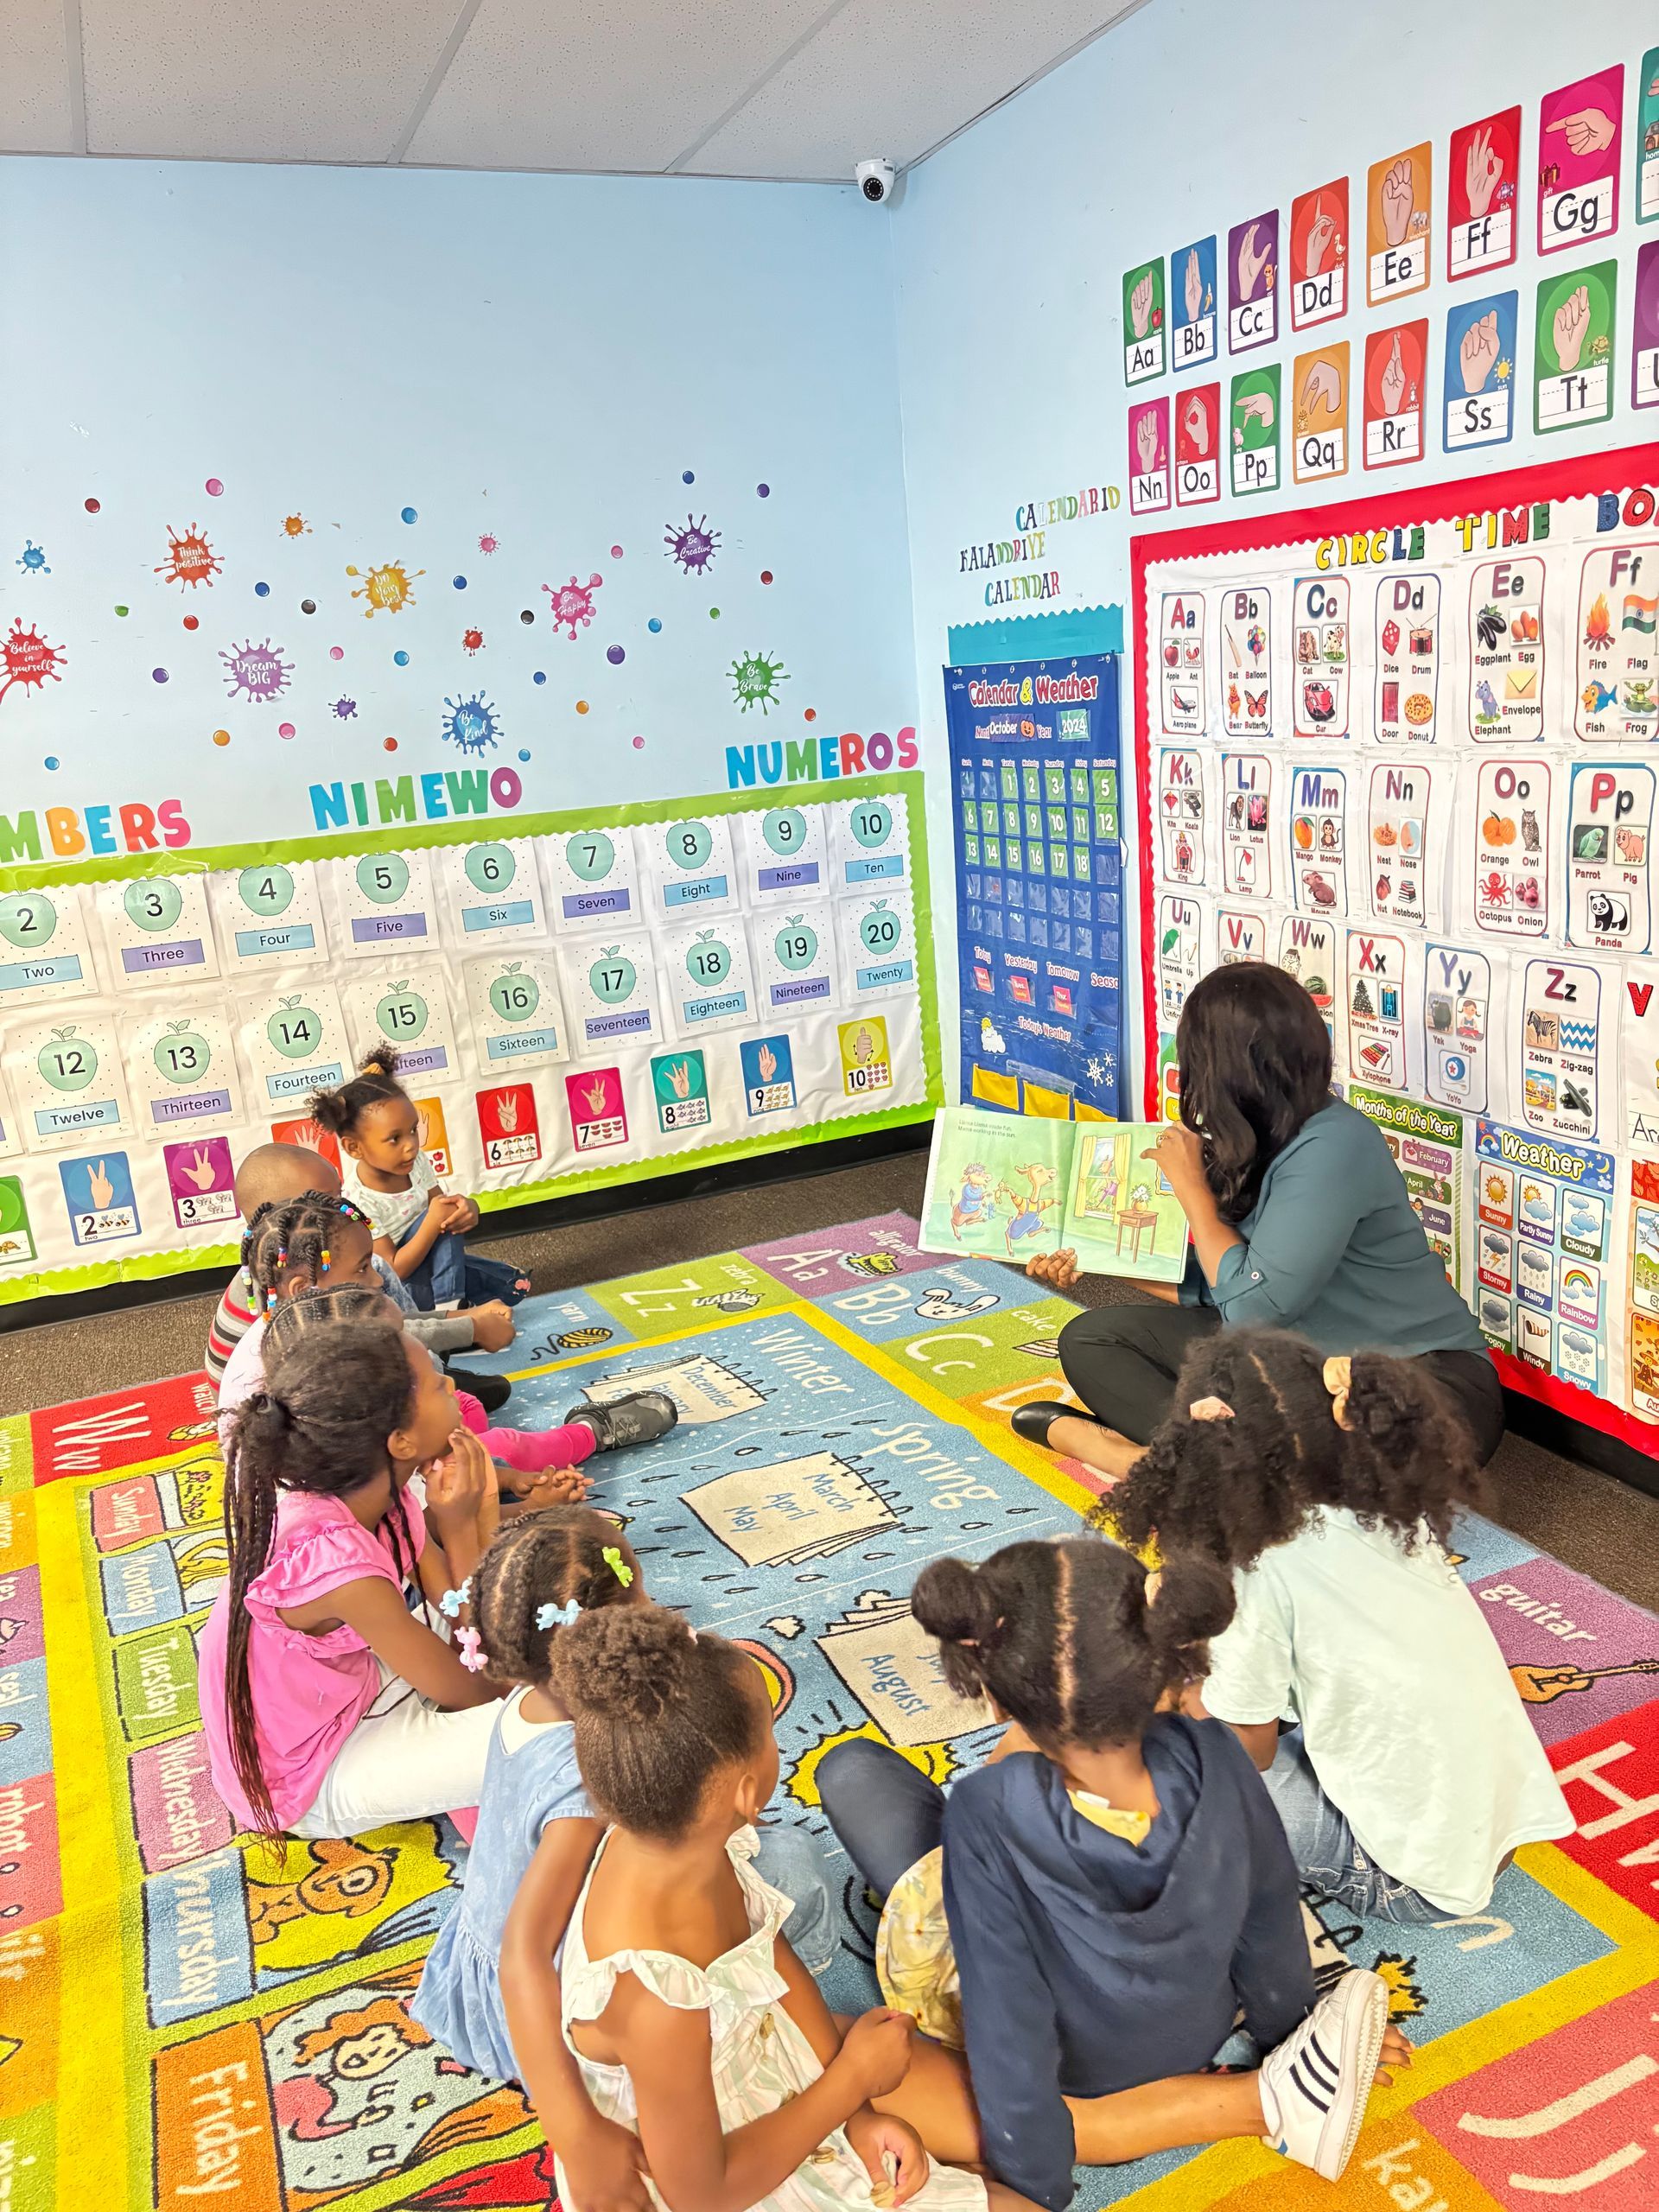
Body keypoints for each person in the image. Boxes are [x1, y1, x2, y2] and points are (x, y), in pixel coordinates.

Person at [817, 1540, 1407, 2202]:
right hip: (1196, 2027)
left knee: (849, 1770)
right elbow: (1268, 1920)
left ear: (996, 1702)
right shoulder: (1216, 1750)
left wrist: (1033, 2190)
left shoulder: (989, 1812)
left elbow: (1009, 2027)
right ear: (1162, 1670)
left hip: (1078, 2072)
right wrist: (1294, 2038)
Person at [544, 1602, 1005, 2212]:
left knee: (984, 2172)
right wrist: (850, 2084)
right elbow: (703, 2194)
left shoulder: (680, 1842)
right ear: (746, 1790)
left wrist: (860, 2117)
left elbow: (767, 1953)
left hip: (767, 2081)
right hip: (732, 2178)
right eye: (770, 1734)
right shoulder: (655, 1996)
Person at [1102, 1328, 1573, 1923]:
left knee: (1155, 1752)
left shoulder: (1255, 1572)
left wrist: (1183, 1690)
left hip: (1410, 1881)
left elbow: (1248, 1754)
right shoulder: (1379, 1501)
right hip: (1497, 1824)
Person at [413, 1511, 836, 2172]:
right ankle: (752, 2020)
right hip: (535, 2008)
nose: (655, 1607)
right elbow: (524, 1953)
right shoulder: (586, 1781)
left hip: (475, 1947)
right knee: (790, 1870)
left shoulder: (526, 1701)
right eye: (642, 1593)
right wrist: (576, 2134)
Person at [1014, 964, 1503, 1480]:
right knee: (1094, 1339)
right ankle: (1224, 1470)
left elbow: (1252, 1307)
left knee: (1364, 1460)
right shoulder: (1253, 1132)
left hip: (1420, 1377)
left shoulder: (1333, 1145)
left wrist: (1193, 1191)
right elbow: (1215, 1282)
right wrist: (1091, 1259)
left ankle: (1138, 1460)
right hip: (1293, 1364)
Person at [198, 1319, 504, 1839]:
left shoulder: (379, 1492)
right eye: (435, 1383)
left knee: (531, 1636)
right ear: (401, 1442)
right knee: (545, 1730)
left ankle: (469, 1789)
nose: (452, 1385)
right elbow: (473, 1690)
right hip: (307, 1779)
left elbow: (457, 1612)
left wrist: (459, 1533)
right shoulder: (341, 1567)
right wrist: (463, 1528)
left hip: (349, 1696)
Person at [219, 1250, 677, 1501]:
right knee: (505, 1447)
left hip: (397, 1455)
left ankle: (479, 1453)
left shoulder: (303, 1339)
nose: (377, 1277)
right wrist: (513, 1492)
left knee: (471, 1408)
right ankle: (590, 1432)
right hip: (409, 1471)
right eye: (361, 1267)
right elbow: (454, 1563)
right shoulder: (374, 1503)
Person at [205, 1141, 517, 1411]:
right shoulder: (301, 1296)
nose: (343, 1207)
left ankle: (438, 1361)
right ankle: (436, 1374)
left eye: (338, 1195)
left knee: (375, 1268)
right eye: (326, 1202)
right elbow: (383, 1331)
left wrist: (461, 1319)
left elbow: (383, 1319)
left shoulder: (277, 1264)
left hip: (306, 1387)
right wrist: (471, 1328)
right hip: (293, 1415)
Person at [309, 1052, 531, 1309]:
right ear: (353, 1148)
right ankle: (451, 1307)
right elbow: (392, 1271)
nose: (411, 1146)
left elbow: (444, 1217)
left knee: (511, 1284)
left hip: (431, 1267)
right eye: (394, 1139)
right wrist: (435, 1221)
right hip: (398, 1290)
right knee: (452, 1238)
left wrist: (469, 1208)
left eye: (413, 1130)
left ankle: (464, 1301)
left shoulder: (416, 1164)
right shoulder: (358, 1202)